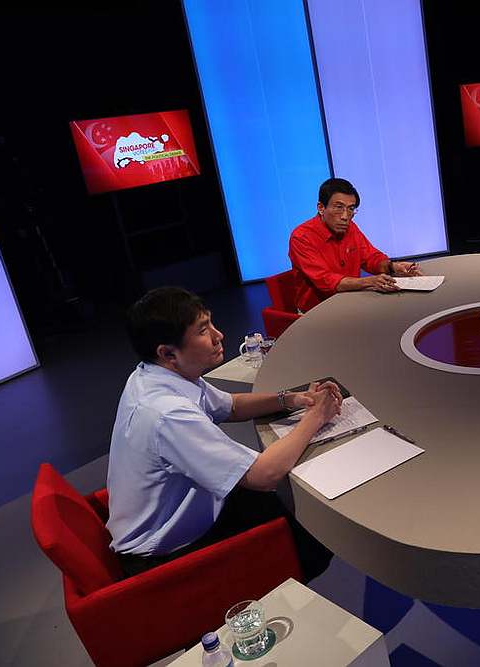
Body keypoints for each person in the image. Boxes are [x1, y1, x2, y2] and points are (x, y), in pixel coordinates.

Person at [106, 287, 341, 577]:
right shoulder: (167, 414)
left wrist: (290, 399)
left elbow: (231, 406)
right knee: (313, 536)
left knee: (298, 512)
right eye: (204, 331)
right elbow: (263, 475)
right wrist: (316, 416)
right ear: (168, 353)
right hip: (165, 557)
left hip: (193, 514)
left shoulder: (155, 374)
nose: (219, 336)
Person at [289, 177, 422, 312]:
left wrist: (393, 267)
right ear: (321, 208)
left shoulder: (350, 228)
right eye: (339, 207)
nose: (345, 216)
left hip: (352, 301)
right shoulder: (301, 237)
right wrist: (369, 282)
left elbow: (370, 258)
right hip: (317, 311)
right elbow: (326, 280)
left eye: (351, 209)